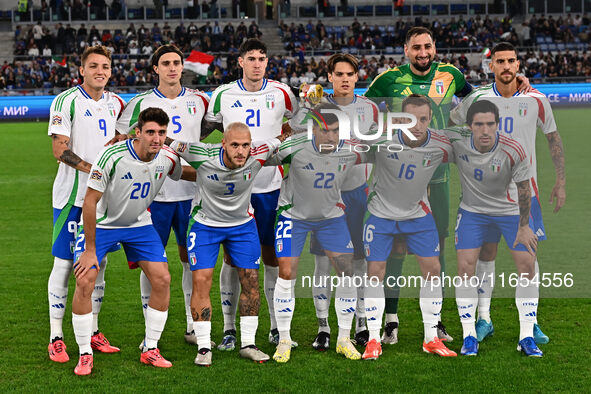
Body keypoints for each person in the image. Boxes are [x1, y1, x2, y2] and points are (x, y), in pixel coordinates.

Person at [364, 26, 530, 344]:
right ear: (406, 50)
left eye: (427, 46)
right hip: (396, 179)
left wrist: (512, 82)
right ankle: (391, 321)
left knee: (436, 251)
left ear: (435, 47)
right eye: (416, 48)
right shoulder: (388, 80)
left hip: (438, 177)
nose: (423, 52)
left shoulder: (451, 74)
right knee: (394, 252)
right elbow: (363, 110)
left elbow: (480, 99)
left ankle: (436, 323)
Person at [449, 41, 564, 345]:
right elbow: (452, 125)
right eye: (500, 61)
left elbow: (553, 139)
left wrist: (561, 181)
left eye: (511, 61)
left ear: (518, 64)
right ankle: (483, 318)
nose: (506, 66)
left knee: (528, 259)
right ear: (491, 66)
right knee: (485, 256)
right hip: (482, 196)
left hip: (525, 194)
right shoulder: (478, 98)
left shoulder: (536, 99)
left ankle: (531, 322)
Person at [70, 107, 193, 375]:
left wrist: (226, 168)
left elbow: (188, 173)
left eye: (161, 132)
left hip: (139, 224)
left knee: (162, 278)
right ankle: (84, 352)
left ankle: (150, 348)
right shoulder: (113, 155)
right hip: (102, 225)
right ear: (137, 133)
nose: (156, 138)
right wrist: (90, 250)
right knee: (85, 278)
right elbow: (89, 201)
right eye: (150, 132)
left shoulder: (168, 158)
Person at [201, 38, 298, 350]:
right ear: (239, 61)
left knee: (271, 256)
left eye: (262, 58)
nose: (257, 63)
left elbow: (297, 125)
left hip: (270, 186)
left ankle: (273, 325)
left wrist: (282, 144)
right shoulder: (223, 94)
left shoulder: (283, 93)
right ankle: (229, 329)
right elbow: (207, 129)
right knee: (232, 259)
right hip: (232, 189)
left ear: (267, 62)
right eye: (251, 58)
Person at [168, 122, 289, 366]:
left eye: (245, 145)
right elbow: (165, 140)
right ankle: (203, 347)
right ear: (223, 143)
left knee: (251, 281)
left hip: (242, 225)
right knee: (201, 281)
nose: (241, 151)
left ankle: (247, 343)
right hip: (204, 225)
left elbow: (284, 137)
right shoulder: (200, 153)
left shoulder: (260, 151)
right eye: (234, 145)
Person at [116, 44, 210, 346]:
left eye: (177, 62)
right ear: (155, 68)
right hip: (151, 197)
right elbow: (121, 139)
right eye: (165, 63)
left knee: (189, 261)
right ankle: (149, 335)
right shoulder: (140, 103)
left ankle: (192, 326)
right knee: (150, 263)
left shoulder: (200, 101)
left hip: (191, 195)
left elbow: (202, 135)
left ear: (183, 67)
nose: (172, 68)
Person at [290, 54, 379, 350]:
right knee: (322, 263)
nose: (344, 78)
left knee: (360, 262)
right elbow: (294, 134)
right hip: (324, 194)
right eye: (338, 73)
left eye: (350, 74)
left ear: (357, 77)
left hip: (358, 193)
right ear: (329, 76)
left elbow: (379, 147)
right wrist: (306, 106)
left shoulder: (369, 109)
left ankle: (361, 323)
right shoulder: (318, 106)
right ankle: (323, 327)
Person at [362, 94, 456, 360]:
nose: (417, 126)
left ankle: (430, 338)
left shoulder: (440, 142)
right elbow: (344, 142)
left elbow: (474, 143)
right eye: (410, 119)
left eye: (423, 119)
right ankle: (372, 339)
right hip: (380, 214)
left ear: (430, 120)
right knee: (375, 273)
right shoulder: (381, 139)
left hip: (418, 214)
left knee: (433, 269)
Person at [446, 100, 543, 357]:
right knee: (466, 267)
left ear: (498, 125)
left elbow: (524, 189)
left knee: (527, 265)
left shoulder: (513, 148)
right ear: (469, 126)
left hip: (510, 211)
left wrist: (524, 226)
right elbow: (429, 134)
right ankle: (469, 336)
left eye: (490, 124)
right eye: (479, 124)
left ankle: (526, 336)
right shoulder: (457, 142)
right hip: (473, 212)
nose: (485, 130)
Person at [270, 103, 366, 363]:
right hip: (293, 216)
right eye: (325, 131)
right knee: (287, 273)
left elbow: (386, 151)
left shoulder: (350, 150)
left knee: (346, 272)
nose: (331, 136)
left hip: (331, 218)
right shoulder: (294, 147)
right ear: (313, 129)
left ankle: (344, 339)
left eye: (335, 131)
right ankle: (285, 339)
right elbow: (258, 157)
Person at [47, 45, 124, 364]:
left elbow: (120, 142)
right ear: (82, 70)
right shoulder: (66, 101)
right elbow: (59, 150)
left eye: (105, 66)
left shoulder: (117, 103)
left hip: (105, 200)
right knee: (65, 265)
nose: (100, 71)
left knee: (100, 264)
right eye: (94, 66)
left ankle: (92, 329)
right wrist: (93, 168)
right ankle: (56, 337)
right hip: (72, 198)